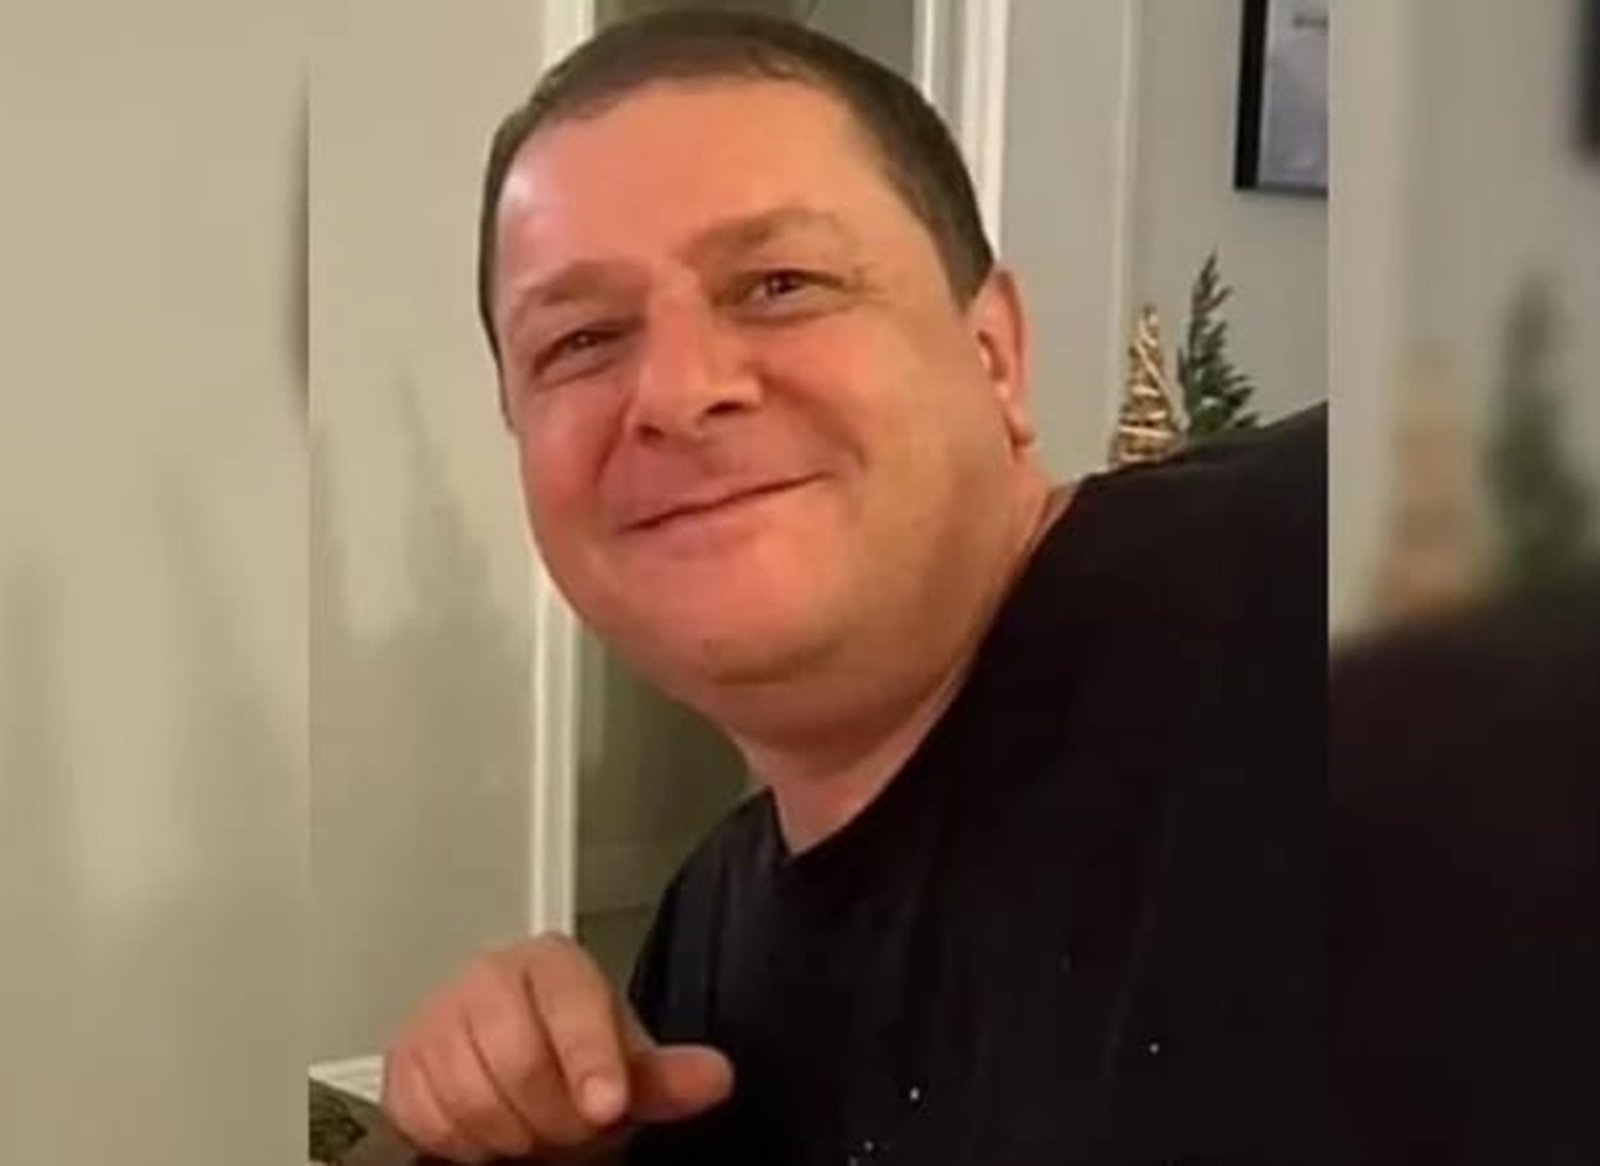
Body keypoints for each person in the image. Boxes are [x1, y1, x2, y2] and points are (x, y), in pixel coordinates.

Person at [380, 11, 1326, 1165]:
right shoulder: (706, 946)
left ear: (993, 354)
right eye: (579, 340)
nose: (676, 391)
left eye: (778, 282)